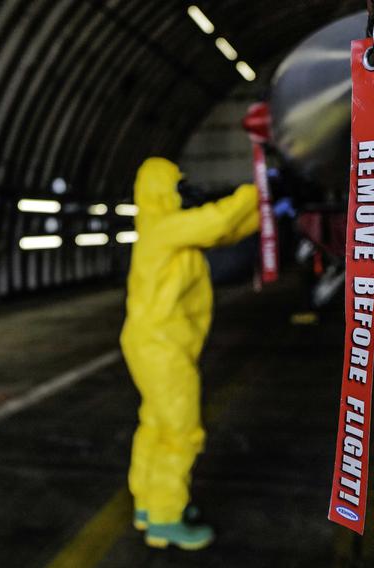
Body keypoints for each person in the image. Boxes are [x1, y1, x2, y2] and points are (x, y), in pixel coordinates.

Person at [120, 157, 259, 550]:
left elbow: (221, 233)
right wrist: (258, 193)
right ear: (163, 189)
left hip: (155, 344)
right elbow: (216, 221)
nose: (184, 191)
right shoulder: (165, 229)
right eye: (177, 185)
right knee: (181, 432)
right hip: (161, 349)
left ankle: (148, 505)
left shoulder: (165, 231)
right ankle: (166, 518)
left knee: (155, 423)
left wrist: (260, 215)